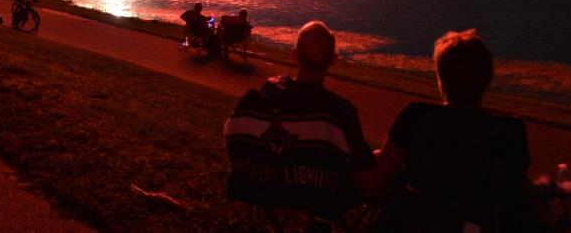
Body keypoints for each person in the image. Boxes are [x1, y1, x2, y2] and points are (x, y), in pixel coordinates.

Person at [369, 29, 534, 232]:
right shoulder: (510, 132)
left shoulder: (416, 117)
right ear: (487, 79)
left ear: (441, 79)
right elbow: (516, 191)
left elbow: (378, 180)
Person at [224, 21, 379, 219]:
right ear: (333, 60)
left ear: (294, 55)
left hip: (261, 188)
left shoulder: (267, 92)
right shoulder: (340, 111)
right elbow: (365, 181)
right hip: (319, 195)